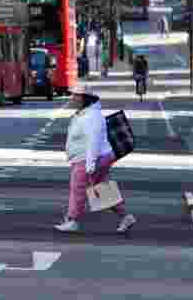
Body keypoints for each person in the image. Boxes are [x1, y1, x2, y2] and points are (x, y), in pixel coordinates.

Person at [55, 88, 136, 234]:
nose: (72, 98)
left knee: (78, 188)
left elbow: (94, 141)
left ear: (85, 99)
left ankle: (72, 220)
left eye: (76, 96)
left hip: (87, 158)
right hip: (91, 158)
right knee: (100, 190)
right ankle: (125, 217)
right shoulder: (85, 113)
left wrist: (90, 163)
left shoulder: (91, 116)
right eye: (73, 95)